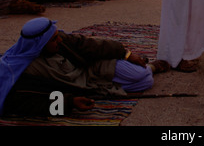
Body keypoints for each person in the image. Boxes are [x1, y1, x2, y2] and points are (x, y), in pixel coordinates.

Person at [0, 17, 168, 116]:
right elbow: (27, 104)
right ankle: (149, 71)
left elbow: (91, 45)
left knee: (141, 75)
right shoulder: (20, 71)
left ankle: (150, 68)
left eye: (57, 36)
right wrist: (69, 102)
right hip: (83, 86)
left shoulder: (62, 41)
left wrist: (126, 54)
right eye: (53, 40)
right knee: (145, 82)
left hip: (91, 68)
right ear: (39, 45)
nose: (59, 40)